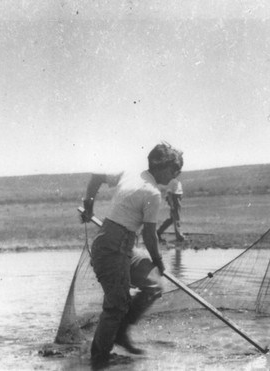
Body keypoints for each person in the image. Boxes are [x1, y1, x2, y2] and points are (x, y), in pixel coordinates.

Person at [80, 142, 183, 365]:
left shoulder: (130, 174)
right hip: (111, 248)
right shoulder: (152, 192)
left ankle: (121, 333)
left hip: (122, 245)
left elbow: (97, 176)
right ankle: (99, 359)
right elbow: (149, 235)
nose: (175, 176)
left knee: (153, 285)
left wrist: (89, 202)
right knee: (116, 305)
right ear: (163, 167)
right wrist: (158, 260)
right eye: (175, 171)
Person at [157, 178, 185, 242]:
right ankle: (179, 236)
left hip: (177, 199)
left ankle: (158, 232)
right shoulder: (172, 181)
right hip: (175, 200)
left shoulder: (177, 181)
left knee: (172, 219)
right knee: (176, 218)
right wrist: (172, 204)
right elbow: (169, 193)